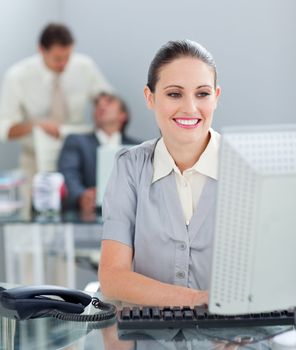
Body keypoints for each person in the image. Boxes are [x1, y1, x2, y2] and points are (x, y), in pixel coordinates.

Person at [99, 39, 221, 307]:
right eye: (174, 94)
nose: (190, 108)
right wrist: (197, 300)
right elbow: (112, 277)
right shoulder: (129, 167)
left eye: (202, 94)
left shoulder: (245, 168)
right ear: (150, 98)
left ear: (216, 97)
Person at [0, 23, 112, 206]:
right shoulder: (17, 76)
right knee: (35, 215)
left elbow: (107, 97)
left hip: (78, 161)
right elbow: (4, 130)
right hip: (35, 162)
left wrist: (103, 106)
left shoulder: (84, 66)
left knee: (80, 209)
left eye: (67, 57)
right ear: (41, 50)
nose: (64, 64)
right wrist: (36, 124)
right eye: (58, 59)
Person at [58, 92, 139, 213]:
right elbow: (68, 174)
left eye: (109, 102)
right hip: (88, 214)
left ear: (123, 116)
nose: (101, 105)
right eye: (97, 104)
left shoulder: (138, 147)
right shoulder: (76, 141)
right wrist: (81, 196)